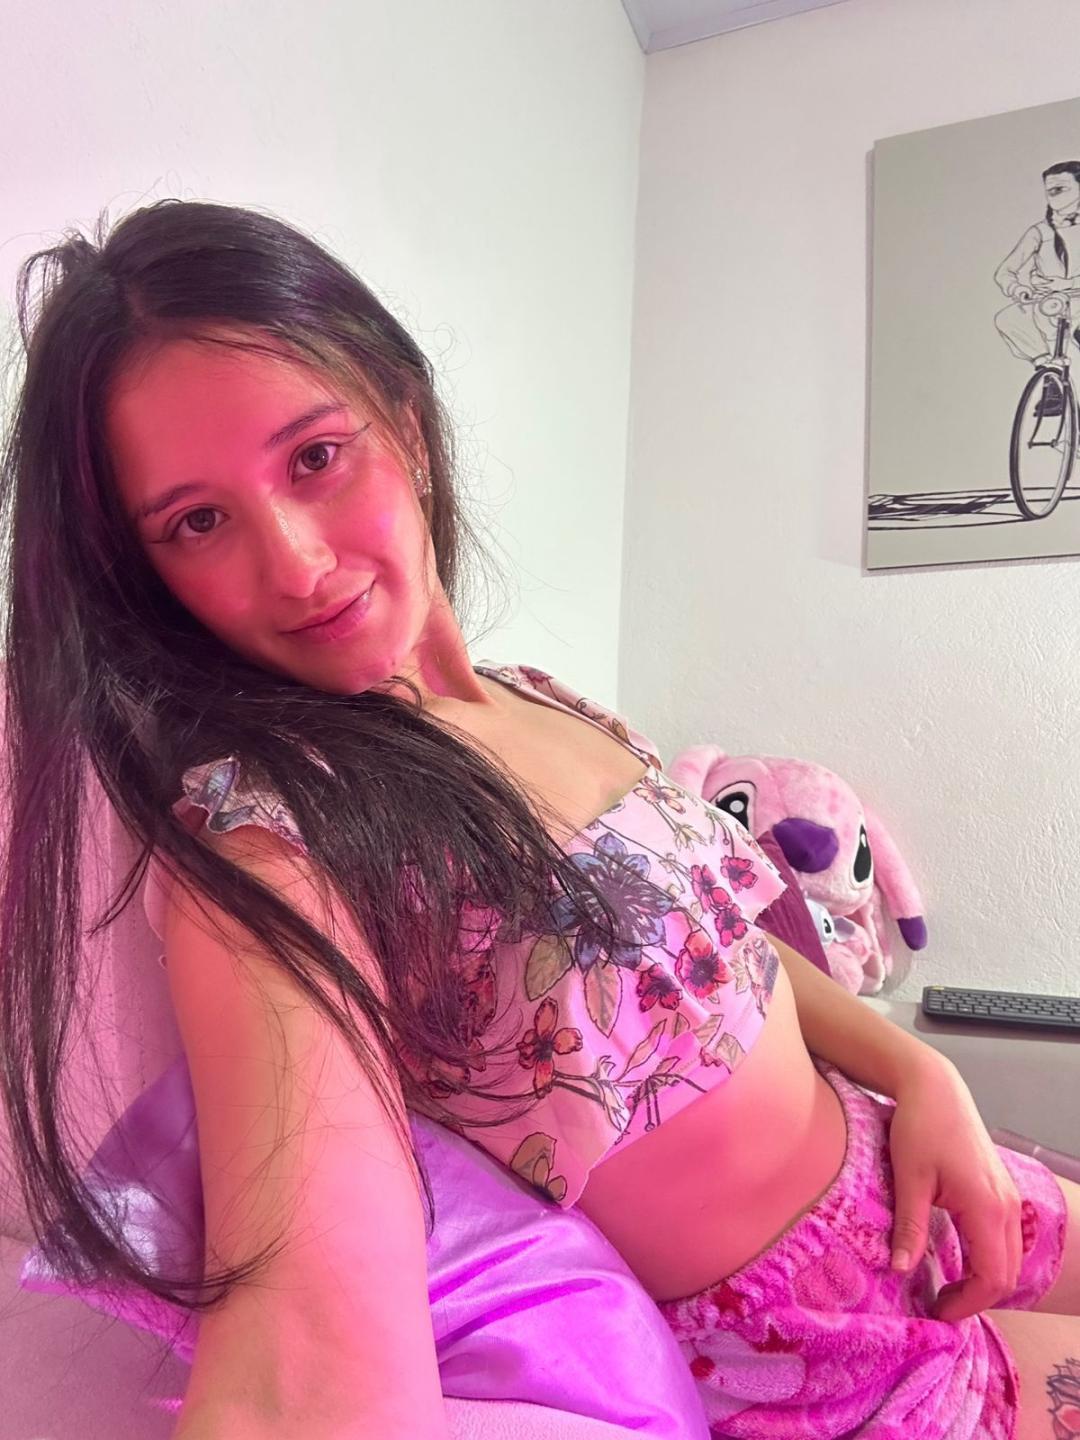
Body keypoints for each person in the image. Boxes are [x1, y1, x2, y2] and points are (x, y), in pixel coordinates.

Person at [0, 199, 1075, 1440]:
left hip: (909, 1161)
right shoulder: (273, 833)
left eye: (316, 457)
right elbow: (301, 1342)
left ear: (405, 421)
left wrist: (920, 1068)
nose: (292, 563)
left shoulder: (539, 697)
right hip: (810, 1356)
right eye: (198, 523)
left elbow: (715, 956)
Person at [994, 160, 1080, 368]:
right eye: (1049, 190)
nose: (1051, 195)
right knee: (1007, 318)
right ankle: (1046, 367)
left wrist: (1068, 284)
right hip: (1049, 305)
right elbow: (1004, 272)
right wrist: (1018, 289)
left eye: (1060, 189)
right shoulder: (1040, 232)